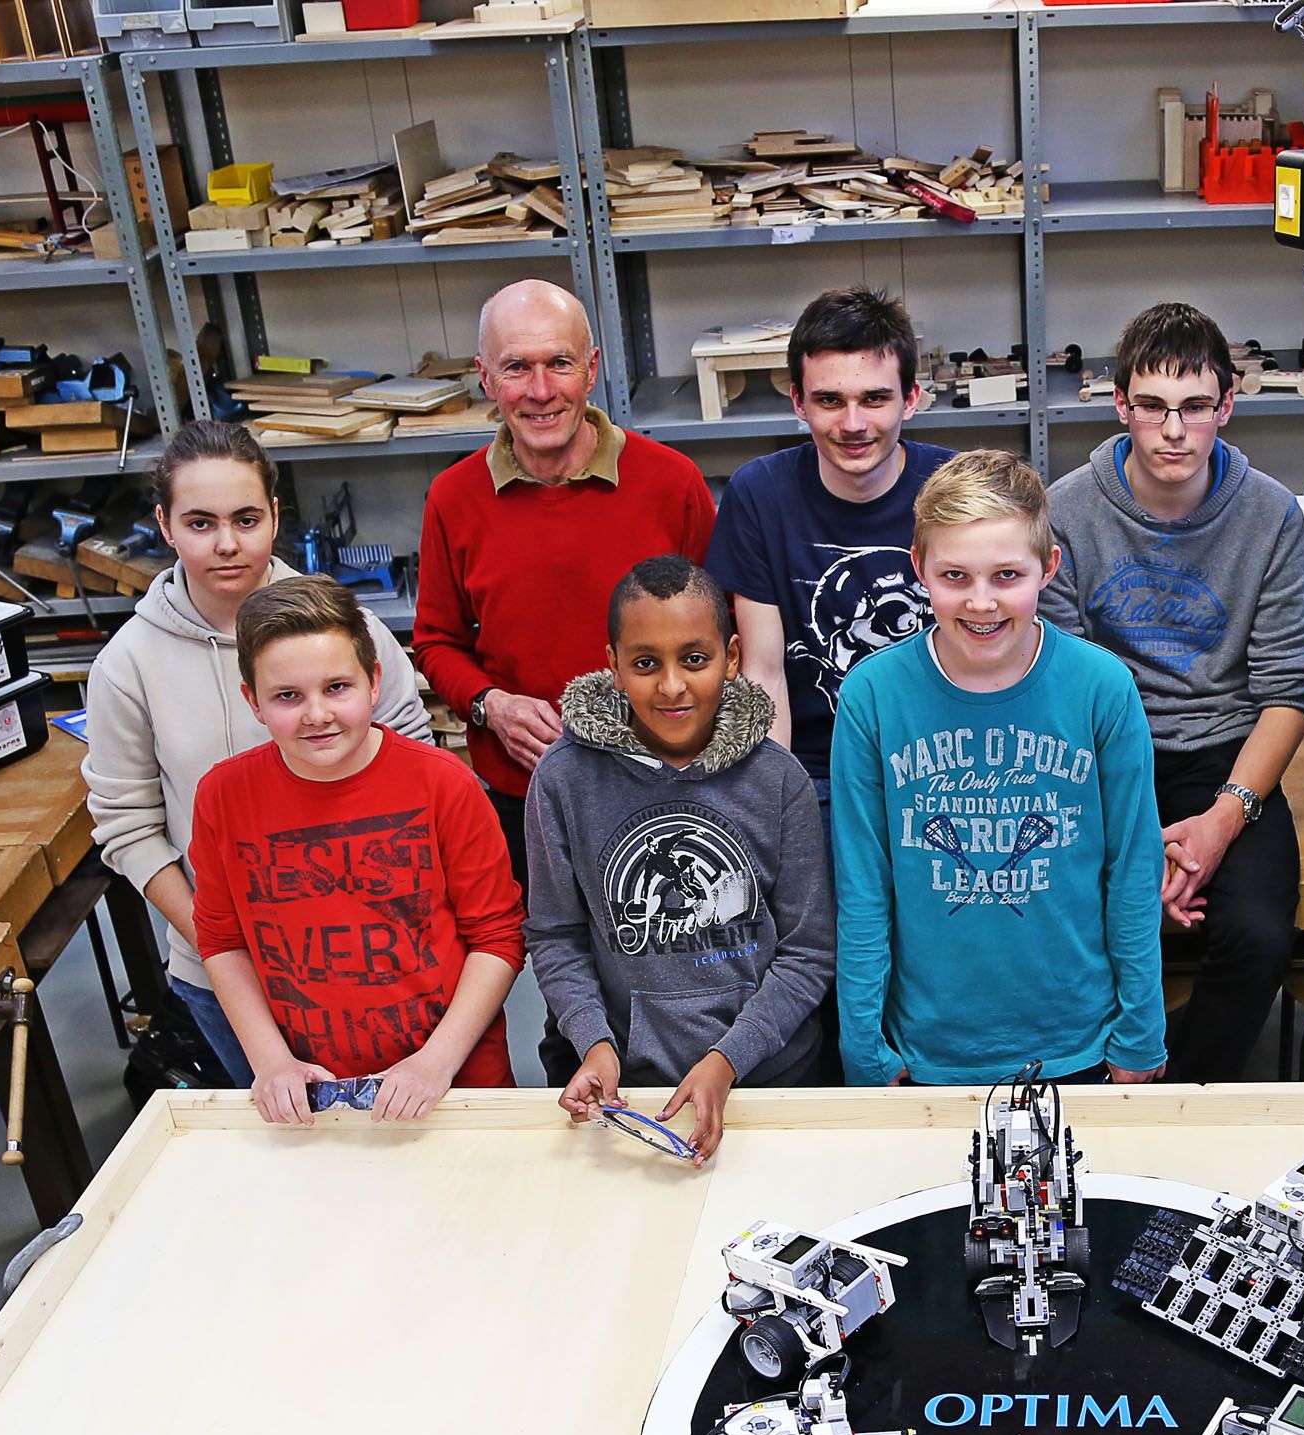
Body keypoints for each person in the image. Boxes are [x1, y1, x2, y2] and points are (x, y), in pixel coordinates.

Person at [84, 420, 433, 1087]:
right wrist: (224, 950)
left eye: (246, 519)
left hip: (380, 958)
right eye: (200, 523)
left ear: (275, 514)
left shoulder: (348, 629)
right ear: (164, 525)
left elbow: (415, 768)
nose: (227, 544)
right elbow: (128, 827)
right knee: (293, 1136)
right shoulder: (128, 666)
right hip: (228, 977)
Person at [830, 451, 1168, 1087]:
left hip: (1077, 1040)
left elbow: (1132, 870)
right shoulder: (872, 695)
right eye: (955, 576)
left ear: (1049, 567)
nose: (981, 602)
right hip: (927, 1048)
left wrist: (1142, 1030)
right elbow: (863, 886)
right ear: (919, 568)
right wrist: (865, 1047)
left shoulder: (1102, 687)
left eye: (1006, 575)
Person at [1037, 302, 1304, 1083]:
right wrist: (1135, 842)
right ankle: (1085, 1079)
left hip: (1225, 754)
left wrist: (1221, 824)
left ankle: (1178, 1097)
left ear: (1227, 405)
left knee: (1259, 935)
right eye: (1152, 407)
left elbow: (1286, 694)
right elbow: (1064, 687)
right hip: (1097, 756)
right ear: (1120, 404)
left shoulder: (1272, 515)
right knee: (1059, 918)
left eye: (1194, 407)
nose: (1173, 431)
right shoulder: (1066, 512)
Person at [528, 557, 832, 1163]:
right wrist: (593, 1042)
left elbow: (809, 953)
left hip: (770, 1081)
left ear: (732, 657)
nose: (671, 686)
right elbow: (556, 936)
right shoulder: (562, 780)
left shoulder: (779, 780)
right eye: (645, 663)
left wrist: (728, 1059)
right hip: (625, 1092)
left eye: (694, 659)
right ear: (613, 665)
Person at [190, 575, 523, 1126]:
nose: (316, 714)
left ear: (374, 681)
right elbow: (223, 941)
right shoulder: (222, 797)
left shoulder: (444, 784)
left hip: (451, 1085)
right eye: (287, 696)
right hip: (313, 1095)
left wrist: (434, 1064)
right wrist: (271, 1062)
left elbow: (498, 937)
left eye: (337, 687)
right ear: (253, 701)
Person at [415, 278, 715, 885]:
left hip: (666, 790)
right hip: (525, 797)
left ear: (593, 368)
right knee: (549, 944)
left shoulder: (671, 482)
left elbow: (722, 634)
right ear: (485, 377)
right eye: (516, 368)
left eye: (560, 363)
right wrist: (491, 706)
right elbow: (436, 641)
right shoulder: (453, 497)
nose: (541, 391)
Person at [704, 288, 951, 799]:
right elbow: (765, 675)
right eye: (830, 401)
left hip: (945, 760)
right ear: (798, 401)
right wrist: (777, 806)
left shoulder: (958, 487)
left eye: (874, 399)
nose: (853, 424)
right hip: (818, 771)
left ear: (911, 398)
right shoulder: (759, 495)